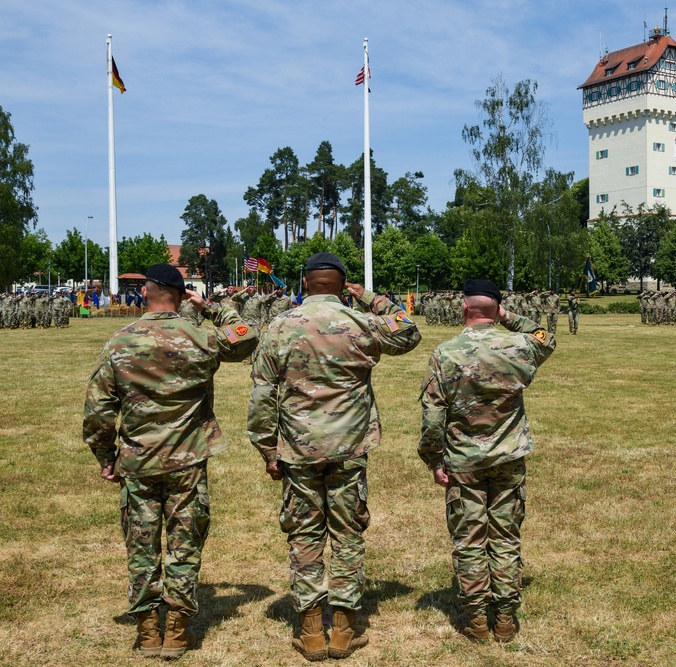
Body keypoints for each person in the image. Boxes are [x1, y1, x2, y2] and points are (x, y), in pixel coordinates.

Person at [247, 252, 422, 661]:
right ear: (343, 286)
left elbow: (261, 394)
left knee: (304, 534)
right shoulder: (361, 323)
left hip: (299, 448)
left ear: (305, 284)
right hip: (349, 448)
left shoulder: (279, 326)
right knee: (347, 534)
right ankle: (342, 630)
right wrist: (373, 299)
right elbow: (408, 332)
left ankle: (311, 631)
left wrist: (267, 448)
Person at [82, 264, 258, 659]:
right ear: (181, 296)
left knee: (141, 544)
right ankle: (176, 629)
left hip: (138, 460)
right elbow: (247, 336)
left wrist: (105, 456)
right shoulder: (199, 336)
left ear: (145, 293)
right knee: (184, 542)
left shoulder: (119, 341)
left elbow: (97, 410)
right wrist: (212, 307)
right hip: (187, 459)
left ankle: (147, 629)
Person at [417, 279, 556, 644]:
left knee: (470, 538)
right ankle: (505, 618)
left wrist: (434, 460)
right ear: (497, 310)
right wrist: (508, 316)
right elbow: (547, 338)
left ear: (464, 309)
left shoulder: (446, 352)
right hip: (509, 457)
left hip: (464, 460)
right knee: (506, 536)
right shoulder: (519, 345)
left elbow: (433, 417)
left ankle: (477, 619)